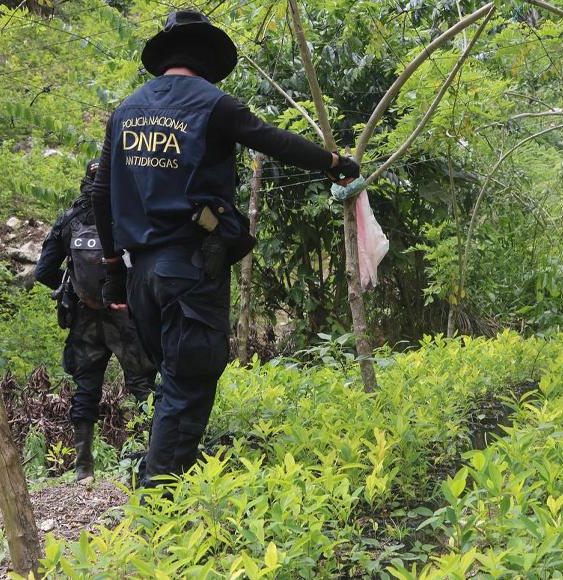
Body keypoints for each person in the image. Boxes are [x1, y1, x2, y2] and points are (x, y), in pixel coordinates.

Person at [90, 10, 360, 486]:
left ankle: (165, 481)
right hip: (191, 271)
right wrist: (334, 162)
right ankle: (159, 507)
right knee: (187, 384)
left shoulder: (125, 111)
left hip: (140, 278)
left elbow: (100, 195)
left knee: (171, 382)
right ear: (206, 56)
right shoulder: (214, 104)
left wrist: (113, 270)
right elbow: (273, 140)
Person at [35, 159, 157, 481]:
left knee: (86, 389)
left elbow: (43, 272)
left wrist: (71, 285)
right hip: (124, 315)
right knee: (143, 386)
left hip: (85, 319)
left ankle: (83, 468)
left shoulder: (69, 220)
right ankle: (157, 459)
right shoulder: (129, 217)